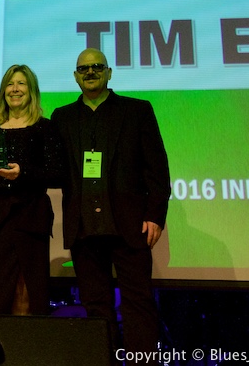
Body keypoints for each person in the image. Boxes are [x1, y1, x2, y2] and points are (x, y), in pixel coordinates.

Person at [50, 48, 171, 359]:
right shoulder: (61, 118)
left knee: (138, 303)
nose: (90, 72)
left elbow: (157, 170)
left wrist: (155, 215)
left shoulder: (137, 110)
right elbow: (48, 164)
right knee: (96, 307)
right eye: (83, 68)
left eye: (97, 67)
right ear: (76, 76)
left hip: (130, 225)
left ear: (109, 72)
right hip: (84, 226)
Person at [0, 64, 62, 316]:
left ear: (31, 91)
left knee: (26, 297)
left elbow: (57, 174)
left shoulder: (45, 127)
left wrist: (23, 173)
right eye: (10, 83)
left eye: (21, 84)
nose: (15, 89)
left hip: (29, 221)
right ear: (3, 90)